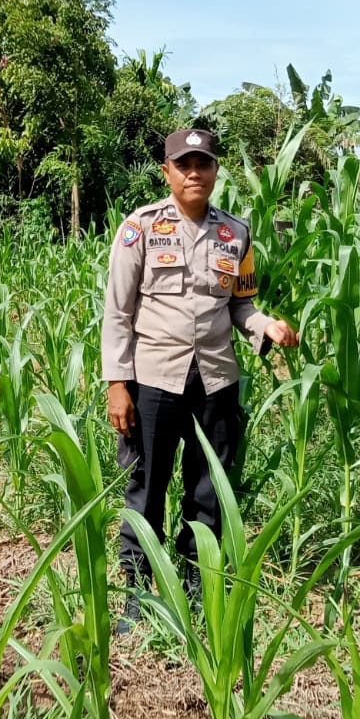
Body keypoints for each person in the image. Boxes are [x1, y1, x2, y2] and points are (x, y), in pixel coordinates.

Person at [102, 127, 301, 631]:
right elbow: (117, 313)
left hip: (215, 378)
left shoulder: (237, 234)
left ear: (215, 171)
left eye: (204, 163)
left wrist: (267, 327)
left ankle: (195, 580)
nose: (195, 172)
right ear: (166, 171)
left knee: (208, 487)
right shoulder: (140, 228)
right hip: (153, 378)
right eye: (184, 164)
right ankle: (134, 588)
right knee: (145, 485)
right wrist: (117, 383)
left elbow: (242, 306)